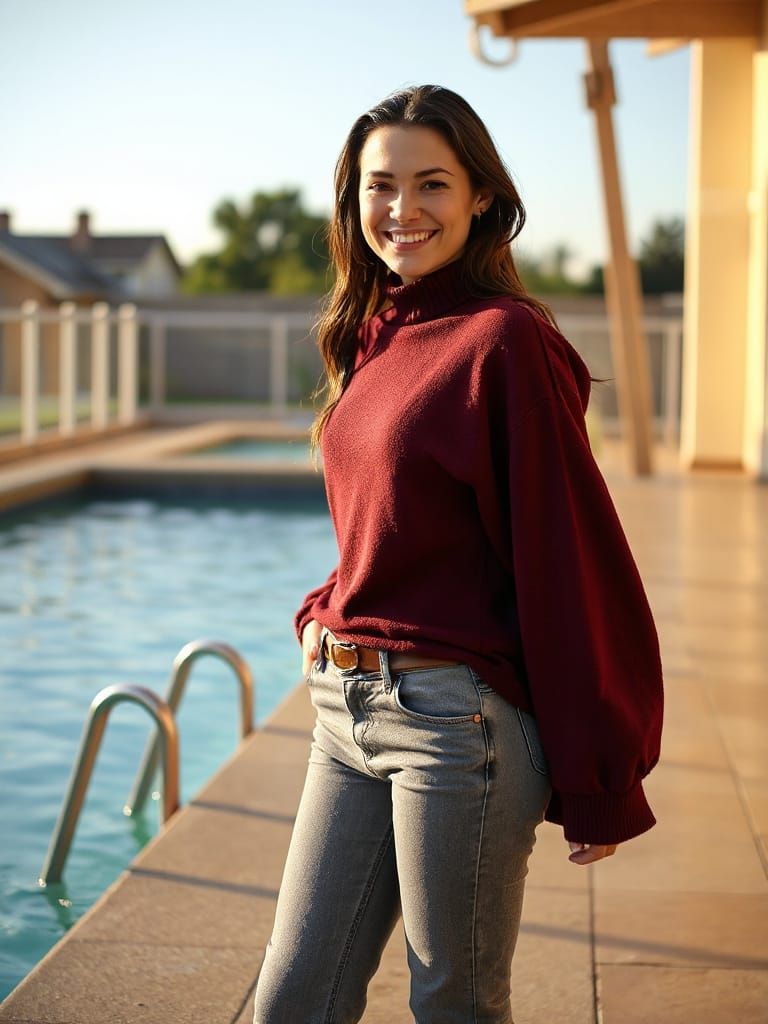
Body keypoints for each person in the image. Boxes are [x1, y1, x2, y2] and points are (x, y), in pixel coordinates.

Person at [252, 84, 664, 1024]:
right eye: (380, 185)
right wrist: (327, 605)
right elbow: (393, 522)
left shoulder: (505, 342)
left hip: (454, 729)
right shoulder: (375, 329)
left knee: (451, 1004)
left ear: (481, 195)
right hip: (342, 709)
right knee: (293, 998)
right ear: (352, 201)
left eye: (432, 184)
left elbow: (569, 563)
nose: (402, 211)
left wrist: (600, 777)